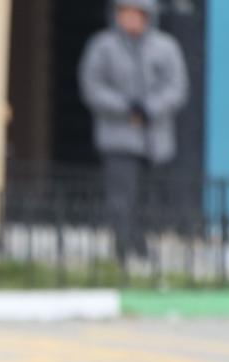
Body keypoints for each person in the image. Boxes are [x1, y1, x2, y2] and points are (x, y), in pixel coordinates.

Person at [78, 0, 188, 266]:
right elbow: (92, 86)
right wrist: (124, 107)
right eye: (124, 12)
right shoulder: (103, 46)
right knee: (121, 196)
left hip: (155, 140)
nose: (130, 18)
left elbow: (177, 88)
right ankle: (124, 248)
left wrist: (150, 108)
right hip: (118, 137)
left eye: (136, 13)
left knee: (148, 198)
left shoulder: (165, 47)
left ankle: (143, 245)